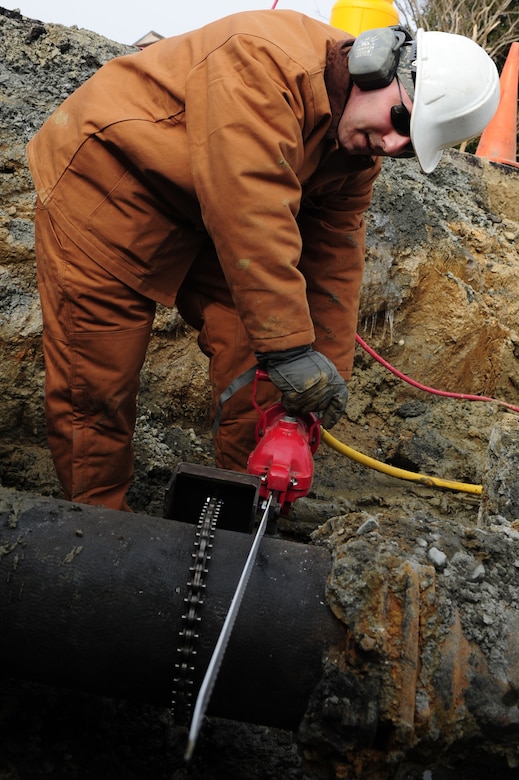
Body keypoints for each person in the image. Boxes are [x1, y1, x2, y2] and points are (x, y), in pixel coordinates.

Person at [26, 10, 499, 511]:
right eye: (402, 120)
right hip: (112, 184)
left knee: (263, 377)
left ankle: (243, 505)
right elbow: (249, 203)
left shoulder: (358, 153)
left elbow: (335, 259)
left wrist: (316, 389)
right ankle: (95, 526)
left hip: (213, 218)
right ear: (377, 65)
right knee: (97, 384)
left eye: (410, 147)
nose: (391, 143)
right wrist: (291, 350)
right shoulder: (261, 60)